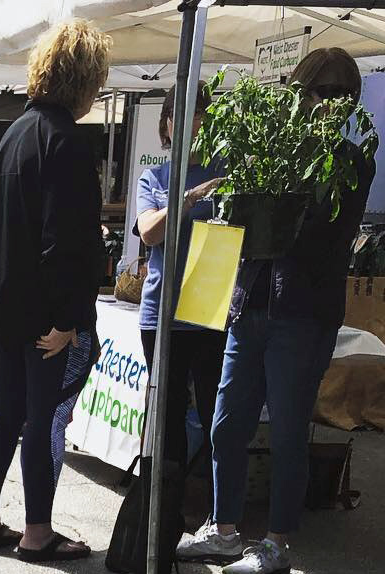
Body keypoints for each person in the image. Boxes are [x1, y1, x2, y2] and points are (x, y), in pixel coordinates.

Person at [177, 48, 376, 574]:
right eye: (305, 94)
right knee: (226, 423)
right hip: (253, 303)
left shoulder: (351, 161)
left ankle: (278, 543)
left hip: (303, 311)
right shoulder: (276, 148)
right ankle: (223, 531)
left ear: (342, 100)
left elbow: (320, 237)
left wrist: (271, 214)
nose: (309, 105)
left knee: (288, 431)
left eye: (320, 95)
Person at [0, 20, 110, 563]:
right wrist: (69, 318)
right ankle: (36, 531)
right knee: (40, 416)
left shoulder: (16, 133)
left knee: (4, 412)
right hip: (44, 312)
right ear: (84, 80)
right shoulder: (68, 142)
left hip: (4, 303)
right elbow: (68, 240)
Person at [135, 84, 226, 489]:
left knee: (215, 414)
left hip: (209, 307)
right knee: (168, 415)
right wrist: (188, 199)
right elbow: (149, 233)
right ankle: (165, 506)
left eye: (197, 112)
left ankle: (212, 507)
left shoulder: (224, 171)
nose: (188, 121)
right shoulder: (153, 177)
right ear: (166, 125)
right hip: (161, 312)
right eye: (178, 113)